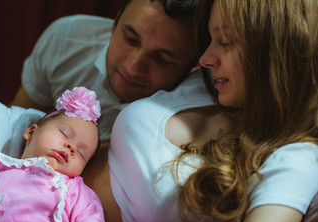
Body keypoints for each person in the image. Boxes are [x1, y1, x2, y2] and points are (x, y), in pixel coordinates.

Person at [82, 0, 318, 222]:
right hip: (51, 185)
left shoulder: (296, 158)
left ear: (274, 51)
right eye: (210, 39)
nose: (204, 59)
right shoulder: (208, 84)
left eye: (224, 42)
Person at [10, 0, 200, 142]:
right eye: (131, 39)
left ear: (193, 67)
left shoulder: (196, 117)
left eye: (162, 59)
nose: (133, 68)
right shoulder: (65, 40)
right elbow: (14, 128)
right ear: (115, 22)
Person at [0, 87, 106, 222]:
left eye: (81, 154)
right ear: (31, 132)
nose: (71, 147)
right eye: (64, 134)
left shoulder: (74, 190)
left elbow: (92, 218)